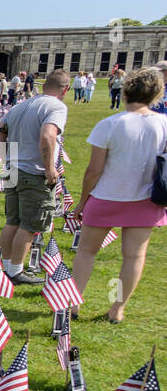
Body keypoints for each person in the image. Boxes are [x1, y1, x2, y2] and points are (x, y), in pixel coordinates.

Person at [70, 66, 167, 323]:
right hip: (146, 199)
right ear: (157, 94)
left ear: (124, 92)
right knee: (134, 256)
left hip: (106, 197)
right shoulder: (164, 123)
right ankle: (117, 309)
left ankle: (73, 304)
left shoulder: (109, 124)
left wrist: (82, 201)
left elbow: (93, 170)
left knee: (86, 252)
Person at [0, 68, 71, 285]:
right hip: (34, 172)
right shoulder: (56, 107)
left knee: (12, 221)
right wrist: (49, 168)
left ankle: (7, 268)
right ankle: (15, 272)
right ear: (66, 89)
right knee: (29, 224)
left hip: (14, 170)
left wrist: (7, 159)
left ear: (43, 87)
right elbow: (48, 136)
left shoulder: (21, 105)